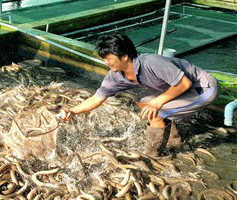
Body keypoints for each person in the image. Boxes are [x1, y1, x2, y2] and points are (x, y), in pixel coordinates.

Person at [59, 32, 219, 157]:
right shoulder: (115, 75)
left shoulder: (152, 63)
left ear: (125, 56)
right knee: (141, 99)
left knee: (156, 111)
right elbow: (96, 98)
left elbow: (185, 83)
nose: (106, 63)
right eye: (104, 59)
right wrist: (72, 111)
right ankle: (172, 139)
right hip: (181, 89)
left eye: (109, 58)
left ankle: (153, 155)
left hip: (203, 88)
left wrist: (157, 103)